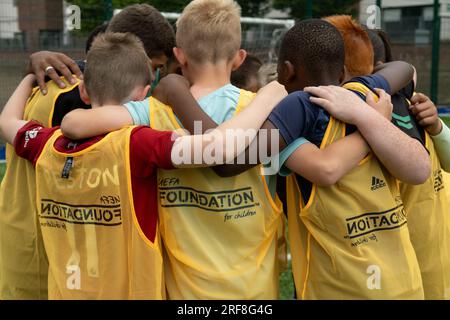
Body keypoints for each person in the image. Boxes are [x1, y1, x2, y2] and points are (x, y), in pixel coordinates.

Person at [0, 32, 287, 299]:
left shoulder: (47, 143)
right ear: (143, 95)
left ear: (84, 91)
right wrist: (268, 97)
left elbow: (7, 123)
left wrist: (28, 77)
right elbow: (219, 149)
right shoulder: (139, 145)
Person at [0, 4, 179, 300]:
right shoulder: (83, 107)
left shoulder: (66, 82)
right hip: (45, 257)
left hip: (31, 242)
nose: (160, 77)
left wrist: (29, 73)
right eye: (157, 68)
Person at [336, 16, 450, 300]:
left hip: (420, 262)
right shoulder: (350, 124)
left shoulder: (416, 111)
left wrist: (437, 127)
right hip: (403, 267)